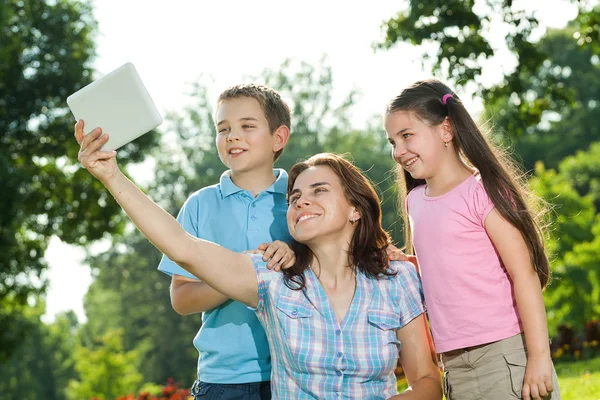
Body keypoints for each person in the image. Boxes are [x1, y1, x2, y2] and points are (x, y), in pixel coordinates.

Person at [73, 120, 443, 399]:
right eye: (294, 197)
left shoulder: (397, 279)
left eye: (319, 190)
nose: (301, 202)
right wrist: (110, 175)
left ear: (355, 210)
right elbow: (183, 246)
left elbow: (426, 381)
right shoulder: (273, 279)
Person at [384, 78, 560, 400]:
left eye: (407, 136)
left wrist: (537, 358)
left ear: (446, 130)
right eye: (392, 142)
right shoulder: (415, 201)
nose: (398, 151)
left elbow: (524, 275)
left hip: (506, 357)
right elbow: (453, 268)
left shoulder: (482, 192)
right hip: (454, 367)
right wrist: (410, 264)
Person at [157, 84, 295, 399]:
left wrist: (294, 254)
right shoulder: (199, 205)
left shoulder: (302, 199)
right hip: (223, 381)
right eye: (223, 129)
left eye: (247, 126)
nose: (232, 136)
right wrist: (239, 274)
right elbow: (181, 299)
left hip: (300, 372)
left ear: (279, 137)